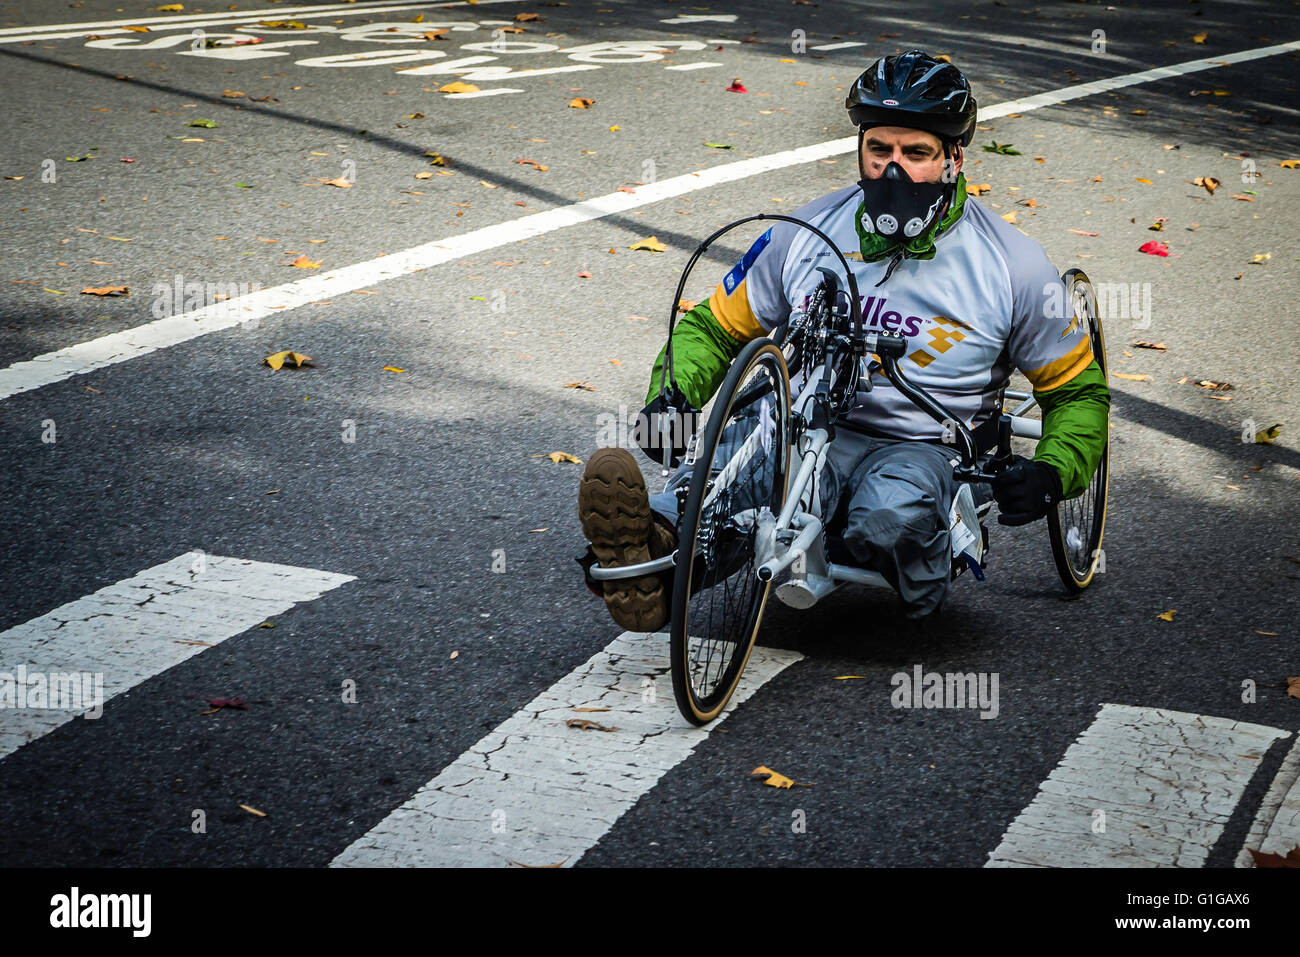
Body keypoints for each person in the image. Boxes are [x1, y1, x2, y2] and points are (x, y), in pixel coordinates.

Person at [576, 50, 1110, 631]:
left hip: (923, 446)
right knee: (735, 478)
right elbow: (714, 326)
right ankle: (654, 556)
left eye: (916, 153)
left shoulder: (1014, 264)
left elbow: (1078, 394)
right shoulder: (805, 232)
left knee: (883, 518)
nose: (893, 170)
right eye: (879, 150)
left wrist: (1053, 472)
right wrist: (673, 397)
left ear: (955, 157)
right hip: (806, 428)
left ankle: (915, 553)